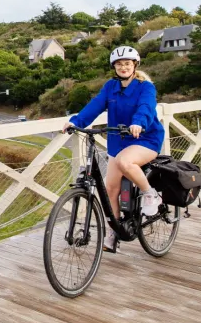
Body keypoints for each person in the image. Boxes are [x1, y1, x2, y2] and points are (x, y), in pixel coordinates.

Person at [62, 46, 166, 252]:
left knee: (125, 162)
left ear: (135, 65)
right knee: (110, 190)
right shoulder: (111, 86)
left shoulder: (146, 87)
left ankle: (150, 194)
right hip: (118, 142)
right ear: (114, 67)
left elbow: (146, 107)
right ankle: (113, 232)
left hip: (145, 138)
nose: (124, 67)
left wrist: (138, 122)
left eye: (127, 63)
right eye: (119, 64)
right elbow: (95, 105)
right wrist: (75, 121)